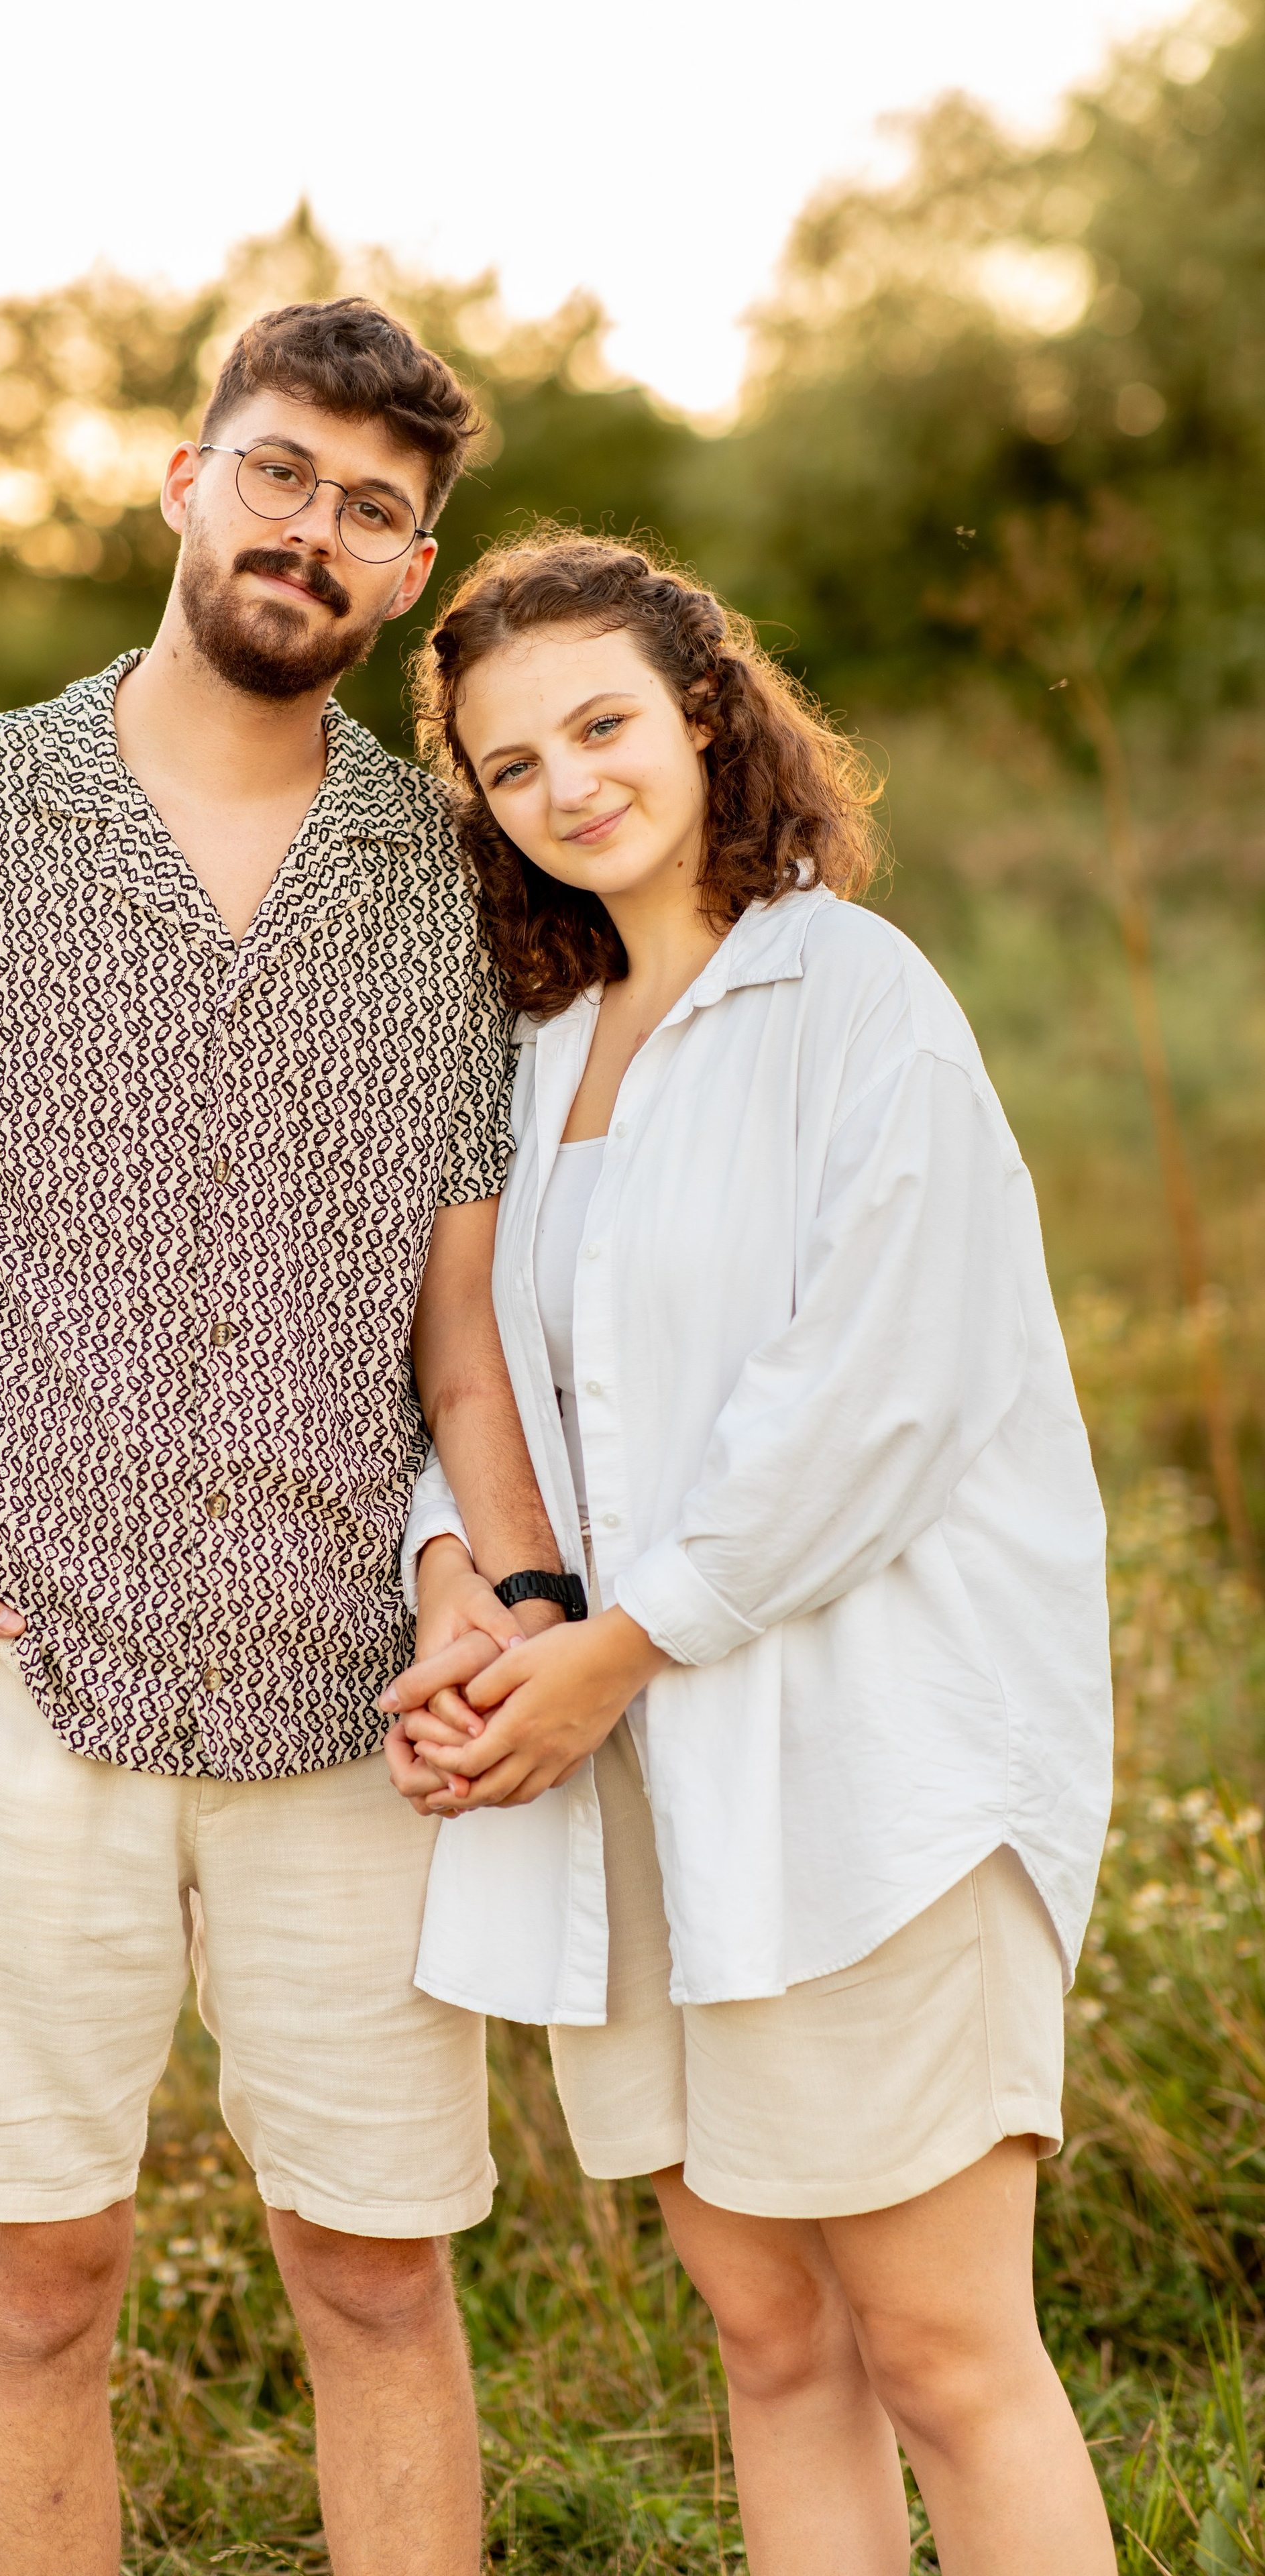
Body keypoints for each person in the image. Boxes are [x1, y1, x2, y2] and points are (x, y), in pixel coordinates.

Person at [0, 301, 570, 2576]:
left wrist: (502, 1580)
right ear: (188, 481)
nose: (319, 530)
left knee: (378, 2274)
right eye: (283, 472)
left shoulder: (443, 882)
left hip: (348, 1716)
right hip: (17, 1696)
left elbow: (463, 1339)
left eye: (376, 513)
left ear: (406, 577)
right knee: (38, 2287)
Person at [383, 533, 1116, 2574]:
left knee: (948, 2354)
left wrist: (617, 1648)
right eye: (512, 766)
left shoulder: (851, 999)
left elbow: (872, 1399)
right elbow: (481, 1383)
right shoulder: (536, 1060)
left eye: (603, 725)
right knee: (771, 2338)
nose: (568, 788)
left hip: (866, 1771)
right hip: (639, 1793)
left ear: (707, 712)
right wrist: (467, 1590)